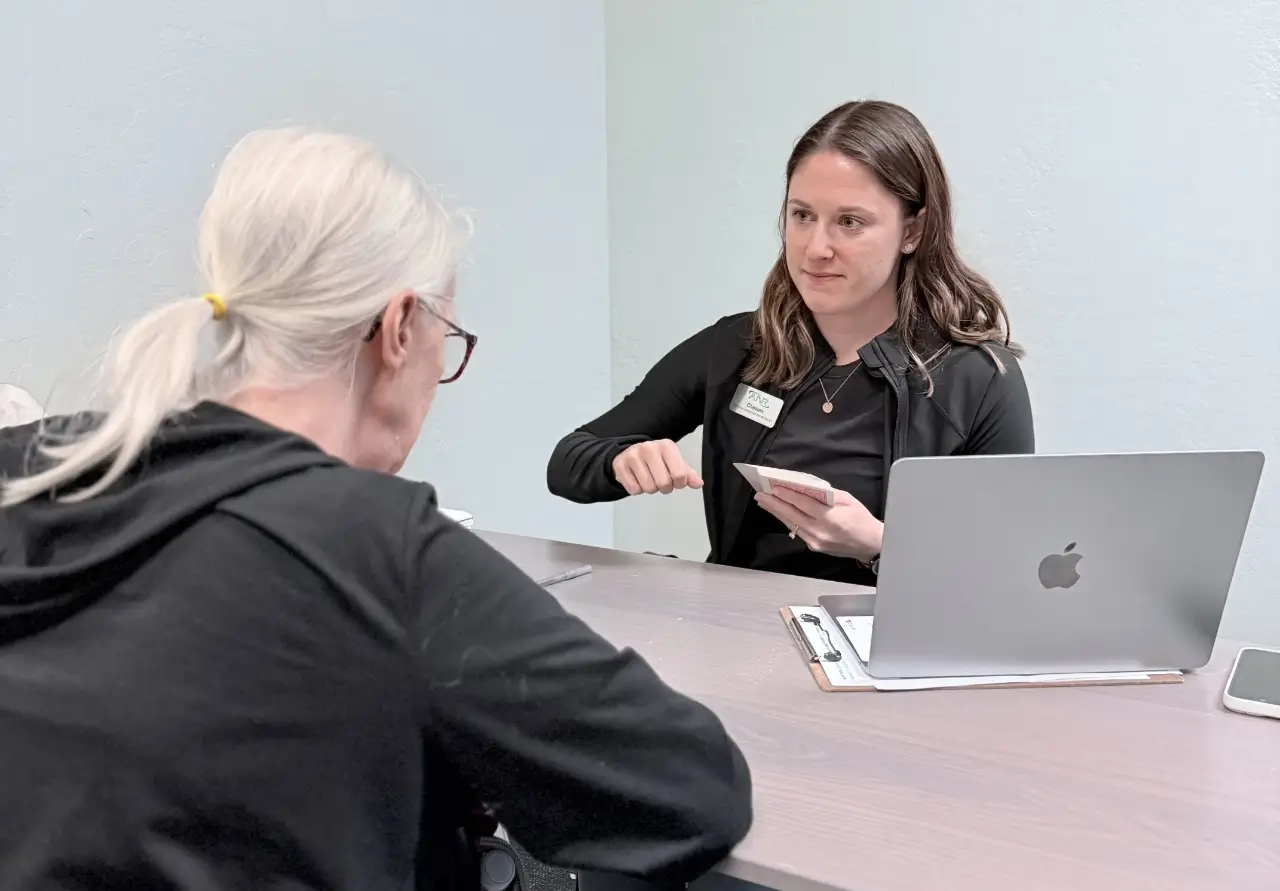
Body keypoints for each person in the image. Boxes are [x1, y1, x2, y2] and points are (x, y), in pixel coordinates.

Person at [0, 128, 751, 890]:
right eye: (445, 340)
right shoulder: (380, 549)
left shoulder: (27, 473)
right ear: (397, 329)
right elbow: (692, 789)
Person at [547, 100, 1033, 586]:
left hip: (885, 648)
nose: (816, 248)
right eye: (802, 215)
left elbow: (1008, 570)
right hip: (732, 639)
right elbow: (569, 460)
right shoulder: (736, 347)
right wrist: (621, 461)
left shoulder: (981, 378)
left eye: (850, 222)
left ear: (913, 231)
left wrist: (881, 546)